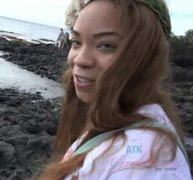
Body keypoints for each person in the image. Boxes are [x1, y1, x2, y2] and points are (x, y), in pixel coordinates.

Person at [39, 0, 191, 179]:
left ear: (147, 57)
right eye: (76, 42)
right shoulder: (114, 120)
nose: (79, 60)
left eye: (106, 45)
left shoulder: (144, 162)